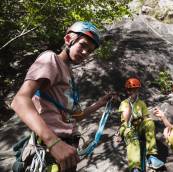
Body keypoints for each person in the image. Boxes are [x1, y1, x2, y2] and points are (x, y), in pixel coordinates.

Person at [11, 21, 115, 171]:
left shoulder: (69, 74)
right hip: (50, 148)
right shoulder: (51, 59)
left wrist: (99, 103)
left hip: (66, 150)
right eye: (83, 45)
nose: (85, 52)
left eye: (90, 51)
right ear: (68, 40)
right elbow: (20, 100)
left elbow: (73, 117)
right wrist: (53, 143)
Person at [118, 78, 164, 172]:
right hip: (127, 127)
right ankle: (135, 168)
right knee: (130, 134)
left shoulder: (141, 103)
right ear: (128, 91)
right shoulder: (124, 103)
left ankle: (152, 156)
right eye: (131, 90)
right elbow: (126, 120)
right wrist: (130, 104)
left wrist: (152, 119)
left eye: (135, 90)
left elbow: (146, 118)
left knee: (150, 122)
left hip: (139, 126)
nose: (133, 92)